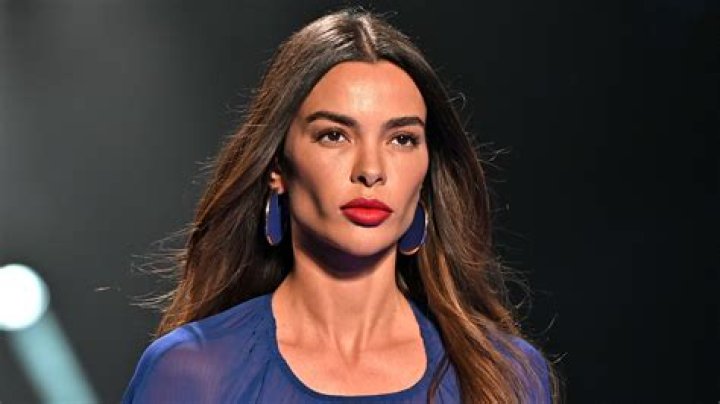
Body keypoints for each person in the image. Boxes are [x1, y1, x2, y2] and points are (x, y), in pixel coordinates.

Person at [123, 7, 557, 404]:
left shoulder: (504, 375)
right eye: (334, 135)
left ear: (426, 173)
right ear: (277, 166)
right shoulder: (193, 372)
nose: (371, 170)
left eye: (401, 139)